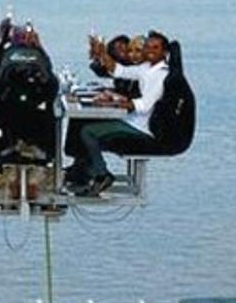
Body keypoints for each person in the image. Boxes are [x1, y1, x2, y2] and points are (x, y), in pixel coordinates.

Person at [69, 31, 171, 196]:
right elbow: (119, 71)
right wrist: (101, 52)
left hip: (142, 127)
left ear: (165, 52)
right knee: (83, 125)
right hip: (132, 120)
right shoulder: (146, 68)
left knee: (88, 132)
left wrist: (114, 102)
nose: (149, 51)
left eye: (155, 48)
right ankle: (84, 171)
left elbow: (144, 105)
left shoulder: (161, 75)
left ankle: (102, 175)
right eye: (148, 47)